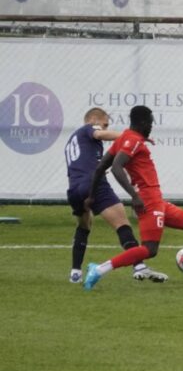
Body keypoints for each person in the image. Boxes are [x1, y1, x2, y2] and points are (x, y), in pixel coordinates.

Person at [82, 105, 183, 290]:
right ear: (143, 122)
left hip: (155, 200)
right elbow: (116, 168)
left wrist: (91, 196)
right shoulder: (132, 140)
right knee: (150, 249)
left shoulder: (126, 139)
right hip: (148, 200)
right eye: (150, 123)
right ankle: (99, 270)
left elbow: (100, 167)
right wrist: (134, 196)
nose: (152, 126)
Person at [64, 107, 167, 284]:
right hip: (92, 183)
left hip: (74, 187)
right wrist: (129, 137)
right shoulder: (89, 128)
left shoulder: (72, 139)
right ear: (94, 119)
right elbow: (99, 135)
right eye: (105, 124)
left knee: (84, 225)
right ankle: (139, 266)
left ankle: (75, 273)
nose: (104, 128)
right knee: (122, 224)